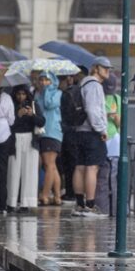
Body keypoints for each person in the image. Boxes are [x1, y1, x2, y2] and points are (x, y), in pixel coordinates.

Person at [73, 57, 111, 216]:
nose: (108, 71)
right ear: (96, 68)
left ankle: (80, 204)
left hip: (79, 130)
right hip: (92, 132)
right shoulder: (95, 85)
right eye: (105, 68)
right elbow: (93, 110)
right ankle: (90, 205)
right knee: (91, 168)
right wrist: (102, 129)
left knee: (80, 167)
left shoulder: (83, 83)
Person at [7, 85, 45, 212]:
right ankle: (11, 202)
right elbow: (8, 125)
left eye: (23, 94)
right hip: (15, 140)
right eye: (18, 94)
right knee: (13, 171)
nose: (21, 97)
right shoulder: (11, 105)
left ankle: (27, 202)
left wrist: (31, 115)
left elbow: (42, 121)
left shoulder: (34, 105)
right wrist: (18, 115)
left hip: (30, 140)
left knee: (29, 171)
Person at [35, 71, 63, 206]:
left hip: (52, 132)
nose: (43, 83)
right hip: (42, 132)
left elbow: (49, 104)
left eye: (47, 80)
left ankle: (45, 195)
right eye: (41, 80)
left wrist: (46, 91)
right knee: (51, 166)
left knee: (49, 164)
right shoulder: (37, 94)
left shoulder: (57, 93)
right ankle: (57, 196)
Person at [60, 68, 86, 201]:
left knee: (70, 164)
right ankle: (75, 193)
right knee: (73, 163)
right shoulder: (79, 91)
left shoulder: (68, 93)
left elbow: (66, 114)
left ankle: (71, 192)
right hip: (76, 130)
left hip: (68, 131)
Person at [95, 74, 120, 215]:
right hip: (100, 141)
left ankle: (116, 210)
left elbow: (121, 124)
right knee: (101, 178)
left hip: (114, 143)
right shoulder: (98, 98)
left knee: (114, 178)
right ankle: (103, 209)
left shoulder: (117, 99)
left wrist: (115, 117)